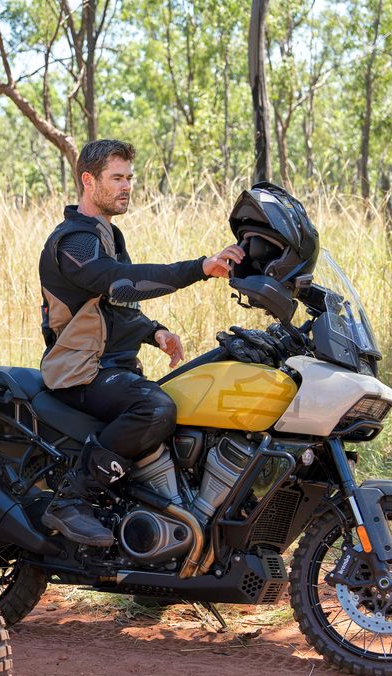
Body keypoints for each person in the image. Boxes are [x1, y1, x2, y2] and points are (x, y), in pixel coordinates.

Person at [38, 139, 243, 547]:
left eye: (129, 178)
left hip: (112, 368)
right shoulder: (74, 240)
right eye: (116, 178)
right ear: (88, 180)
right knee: (154, 408)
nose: (126, 186)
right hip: (82, 372)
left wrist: (155, 333)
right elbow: (119, 283)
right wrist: (200, 268)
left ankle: (164, 543)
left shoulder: (108, 235)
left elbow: (113, 305)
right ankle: (72, 500)